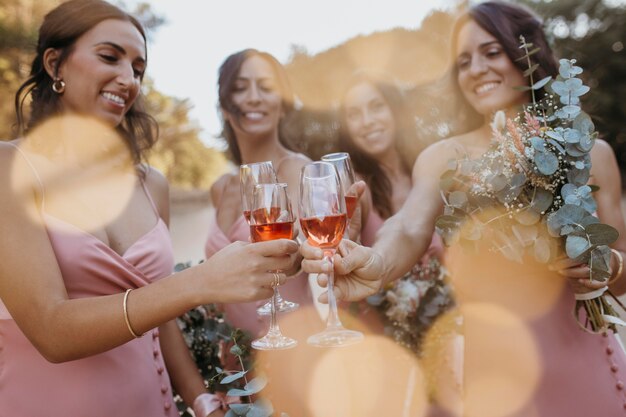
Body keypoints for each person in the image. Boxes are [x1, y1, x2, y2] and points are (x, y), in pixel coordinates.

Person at [302, 2, 626, 416]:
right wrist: (376, 263)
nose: (476, 69)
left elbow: (621, 276)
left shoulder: (591, 153)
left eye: (491, 52)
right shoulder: (444, 158)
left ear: (527, 53)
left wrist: (608, 265)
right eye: (463, 62)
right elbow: (408, 227)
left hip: (587, 364)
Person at [0, 2, 298, 417]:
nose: (127, 79)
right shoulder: (9, 168)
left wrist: (202, 401)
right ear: (55, 64)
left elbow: (161, 313)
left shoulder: (150, 183)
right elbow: (51, 330)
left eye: (138, 69)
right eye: (109, 57)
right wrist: (200, 282)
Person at [203, 49, 321, 416]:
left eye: (265, 87)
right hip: (239, 372)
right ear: (225, 105)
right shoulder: (221, 187)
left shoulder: (299, 170)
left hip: (297, 358)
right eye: (241, 87)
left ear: (283, 104)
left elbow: (319, 258)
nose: (254, 96)